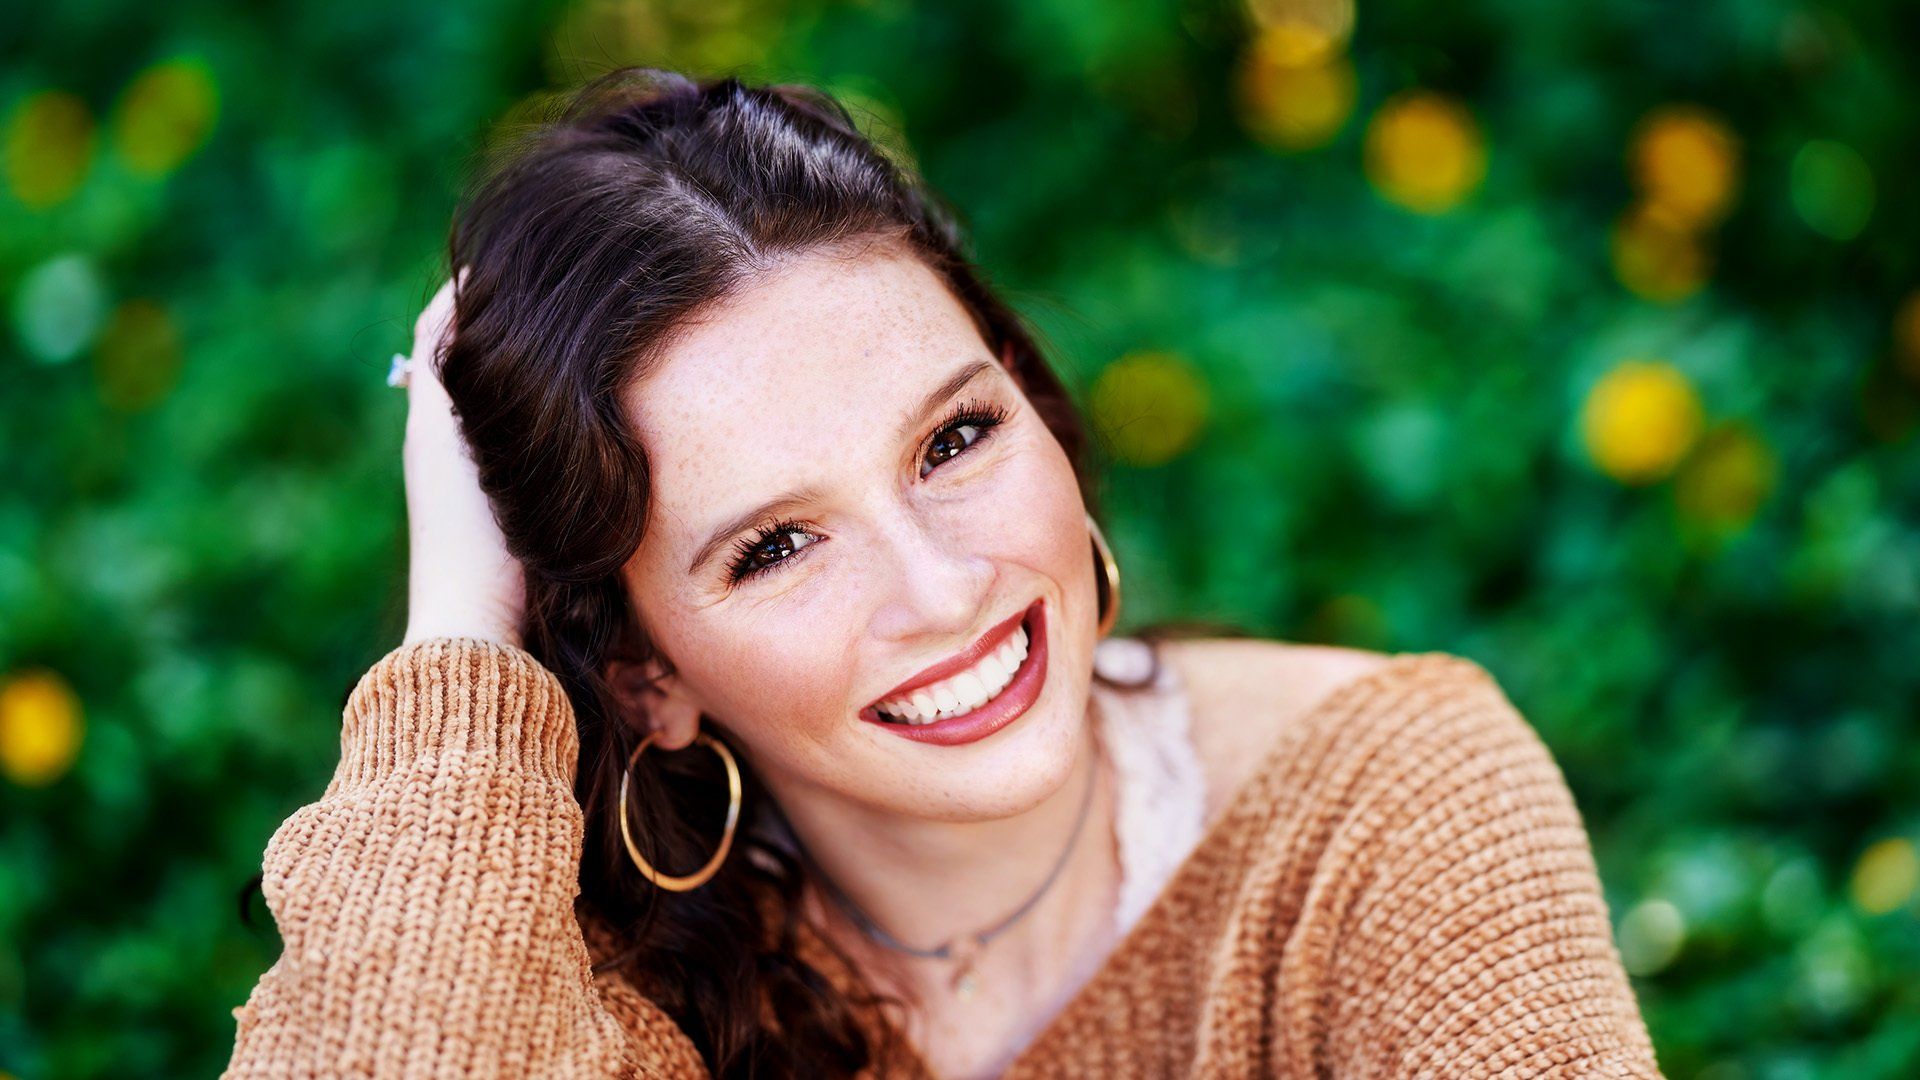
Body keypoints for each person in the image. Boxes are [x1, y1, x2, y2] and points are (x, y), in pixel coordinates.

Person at [222, 68, 1665, 1079]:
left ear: (1032, 397)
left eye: (955, 438)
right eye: (776, 546)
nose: (942, 588)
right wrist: (462, 629)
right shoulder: (577, 990)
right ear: (644, 673)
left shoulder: (1384, 811)